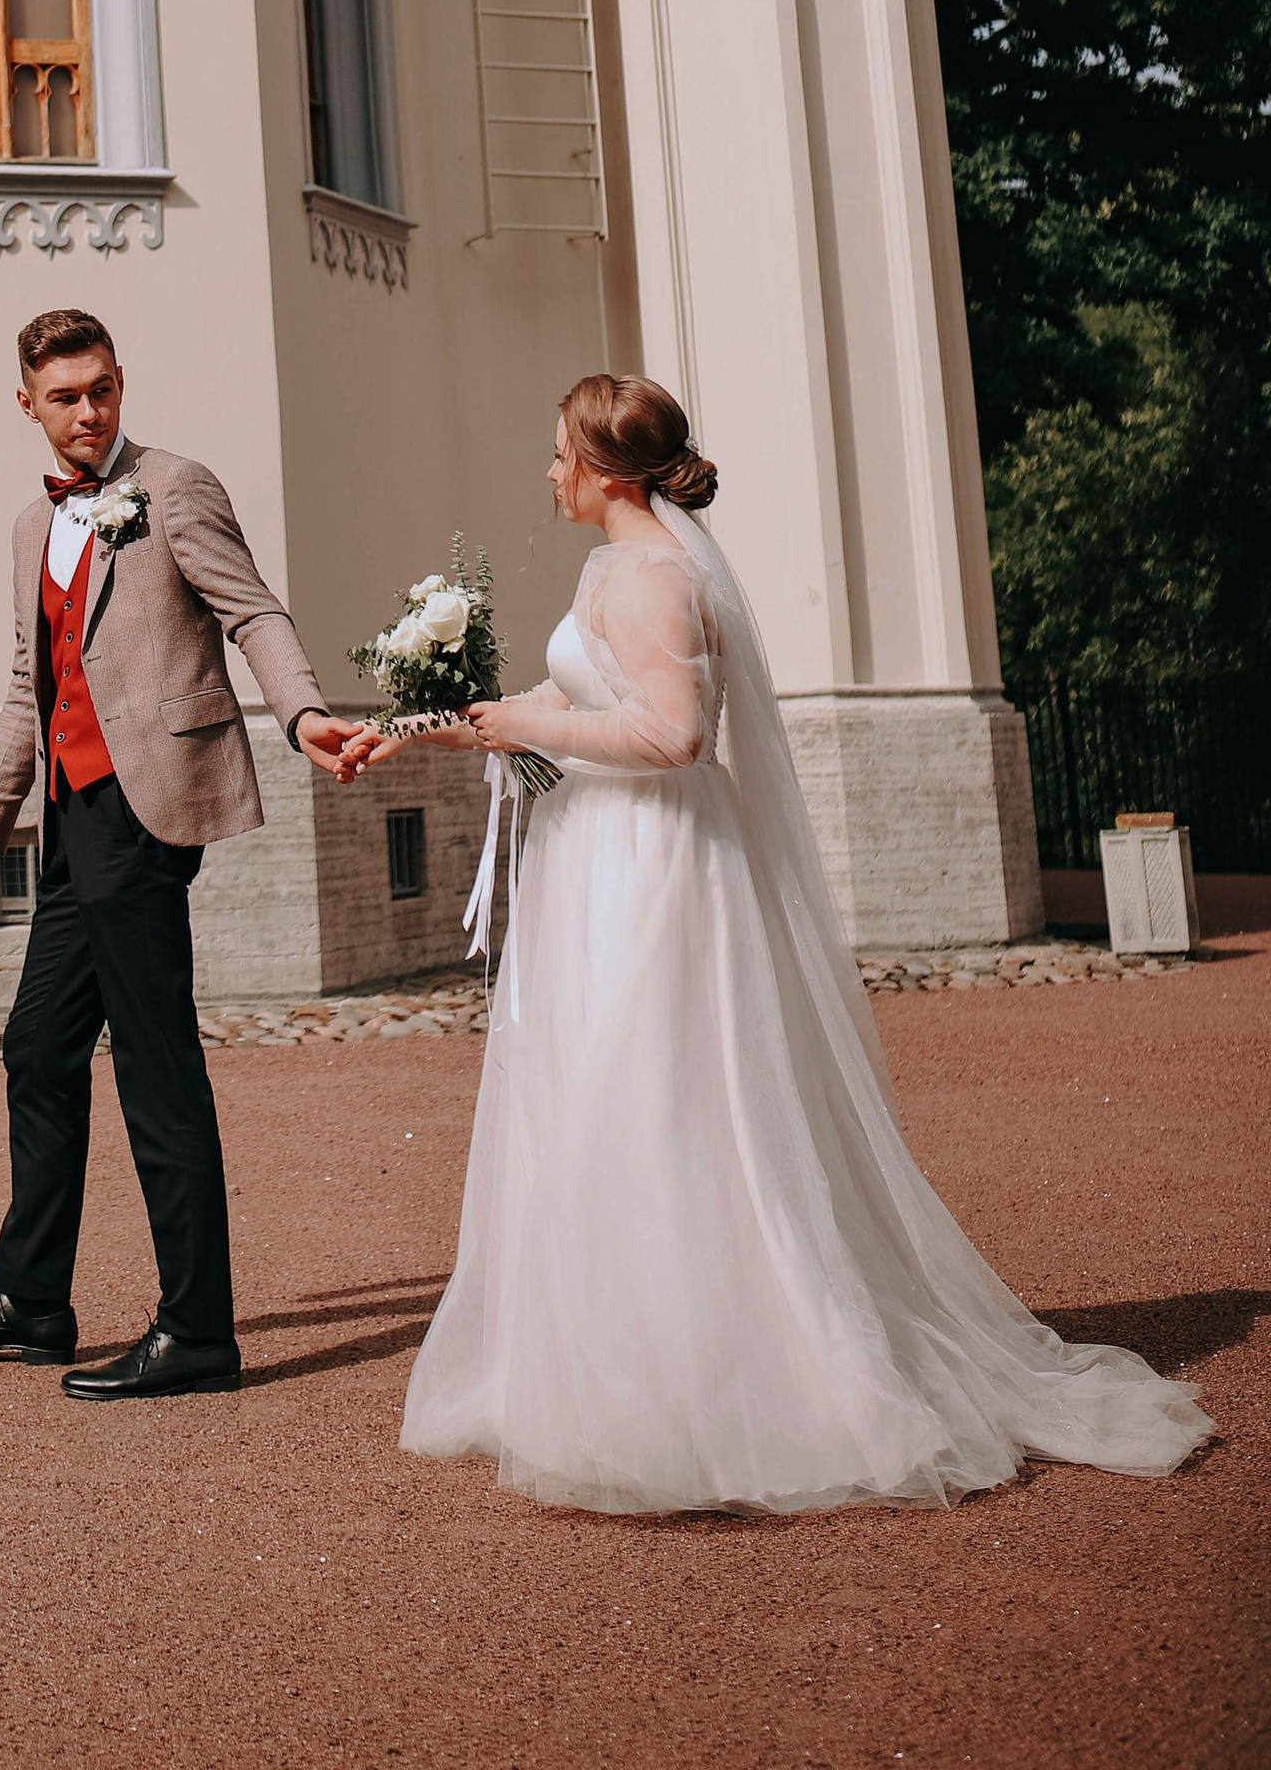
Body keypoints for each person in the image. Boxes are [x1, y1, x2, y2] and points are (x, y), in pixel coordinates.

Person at [389, 373, 1217, 1513]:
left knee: (661, 1102)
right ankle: (615, 1374)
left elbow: (674, 737)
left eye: (555, 454)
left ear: (601, 469)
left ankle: (727, 1389)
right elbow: (565, 698)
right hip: (599, 858)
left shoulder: (660, 578)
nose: (546, 472)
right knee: (591, 1101)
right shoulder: (609, 569)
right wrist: (410, 733)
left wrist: (527, 723)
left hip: (654, 867)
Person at [0, 308, 366, 1401]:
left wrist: (300, 717)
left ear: (120, 386)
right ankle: (33, 1301)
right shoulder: (32, 524)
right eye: (64, 396)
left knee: (158, 1074)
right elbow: (33, 688)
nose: (87, 412)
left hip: (149, 808)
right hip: (70, 818)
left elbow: (252, 613)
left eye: (101, 389)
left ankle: (197, 1329)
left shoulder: (177, 486)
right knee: (37, 1048)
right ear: (27, 405)